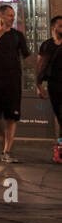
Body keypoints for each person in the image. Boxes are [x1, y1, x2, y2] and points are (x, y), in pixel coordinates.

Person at [0, 4, 31, 163]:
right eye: (9, 15)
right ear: (0, 15)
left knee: (11, 117)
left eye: (13, 15)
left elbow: (26, 56)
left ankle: (7, 151)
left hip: (13, 81)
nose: (13, 18)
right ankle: (3, 138)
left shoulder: (17, 35)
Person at [36, 15, 62, 164]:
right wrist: (39, 86)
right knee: (60, 117)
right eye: (60, 26)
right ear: (53, 28)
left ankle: (58, 149)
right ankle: (58, 149)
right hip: (54, 85)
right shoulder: (46, 45)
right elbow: (40, 66)